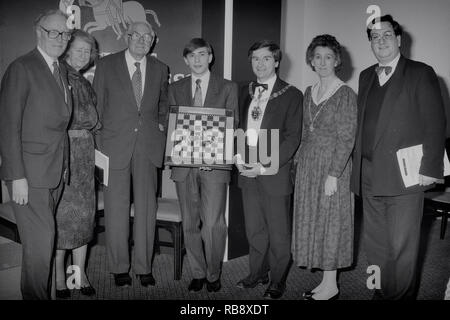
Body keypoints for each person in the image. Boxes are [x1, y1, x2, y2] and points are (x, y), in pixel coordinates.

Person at [351, 15, 446, 300]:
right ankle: (380, 291)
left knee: (402, 246)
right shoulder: (366, 75)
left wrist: (430, 168)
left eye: (387, 35)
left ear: (399, 40)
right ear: (370, 43)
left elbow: (435, 123)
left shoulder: (421, 72)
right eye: (375, 37)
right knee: (376, 243)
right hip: (368, 173)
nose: (381, 41)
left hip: (407, 175)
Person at [0, 10, 72, 299]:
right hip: (29, 175)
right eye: (53, 32)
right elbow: (7, 126)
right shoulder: (22, 67)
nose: (60, 38)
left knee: (41, 246)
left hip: (54, 171)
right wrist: (16, 176)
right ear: (38, 31)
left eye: (64, 34)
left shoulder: (61, 69)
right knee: (42, 246)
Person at [93, 21, 169, 287]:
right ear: (127, 37)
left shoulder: (161, 69)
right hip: (113, 147)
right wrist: (99, 146)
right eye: (136, 35)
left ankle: (144, 267)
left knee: (147, 209)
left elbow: (163, 105)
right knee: (116, 208)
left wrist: (160, 126)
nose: (141, 40)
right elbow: (97, 107)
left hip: (147, 146)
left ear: (153, 40)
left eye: (147, 37)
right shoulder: (106, 65)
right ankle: (119, 267)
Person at [168, 38, 238, 293]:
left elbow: (232, 124)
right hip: (184, 166)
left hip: (215, 166)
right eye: (192, 55)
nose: (197, 60)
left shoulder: (228, 87)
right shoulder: (175, 88)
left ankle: (213, 273)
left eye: (202, 54)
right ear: (185, 60)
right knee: (189, 222)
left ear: (210, 57)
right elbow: (172, 126)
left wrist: (211, 154)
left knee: (212, 223)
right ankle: (197, 272)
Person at [291, 34, 357, 300]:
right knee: (313, 219)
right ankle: (324, 281)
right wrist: (297, 164)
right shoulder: (308, 92)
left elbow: (347, 137)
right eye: (317, 57)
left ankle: (332, 284)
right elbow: (305, 133)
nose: (322, 62)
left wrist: (334, 174)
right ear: (311, 60)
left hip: (333, 167)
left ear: (337, 60)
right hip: (309, 165)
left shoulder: (345, 94)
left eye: (328, 57)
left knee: (332, 221)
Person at [235, 40, 302, 299]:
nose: (260, 64)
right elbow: (237, 128)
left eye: (265, 59)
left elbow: (292, 138)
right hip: (247, 172)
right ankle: (256, 273)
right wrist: (238, 158)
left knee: (278, 231)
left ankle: (277, 279)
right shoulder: (245, 91)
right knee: (254, 229)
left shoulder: (291, 94)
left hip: (274, 173)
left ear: (276, 62)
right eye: (255, 59)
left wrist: (263, 167)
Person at [54, 30, 100, 298]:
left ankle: (79, 277)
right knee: (62, 221)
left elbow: (95, 119)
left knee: (84, 220)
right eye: (79, 49)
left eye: (88, 51)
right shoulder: (56, 76)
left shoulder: (84, 82)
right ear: (67, 49)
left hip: (85, 158)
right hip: (64, 158)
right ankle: (60, 279)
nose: (84, 55)